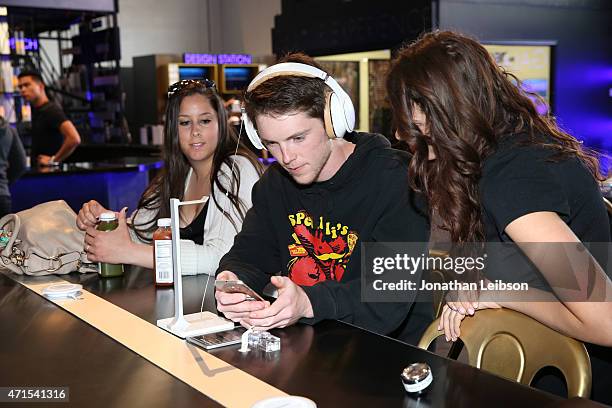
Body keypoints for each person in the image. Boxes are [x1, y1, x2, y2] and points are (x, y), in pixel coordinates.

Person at [386, 30, 612, 401]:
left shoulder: (512, 177)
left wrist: (501, 292)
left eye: (408, 119)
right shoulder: (499, 154)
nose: (399, 132)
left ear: (445, 109)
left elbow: (605, 321)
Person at [214, 53, 430, 344]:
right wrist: (234, 281)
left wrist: (307, 302)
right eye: (271, 144)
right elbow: (249, 254)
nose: (286, 157)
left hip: (387, 358)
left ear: (333, 120)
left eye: (298, 138)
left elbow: (388, 293)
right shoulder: (274, 185)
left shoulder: (397, 179)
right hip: (309, 350)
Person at [76, 79, 261, 275]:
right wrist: (104, 220)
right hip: (182, 301)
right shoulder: (175, 176)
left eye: (205, 121)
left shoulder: (236, 169)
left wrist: (129, 252)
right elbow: (139, 233)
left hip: (231, 303)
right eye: (185, 123)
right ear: (173, 129)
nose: (195, 131)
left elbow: (221, 258)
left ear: (220, 123)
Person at [17, 69, 81, 166]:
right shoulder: (37, 110)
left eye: (27, 85)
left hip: (51, 175)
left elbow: (74, 138)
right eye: (20, 87)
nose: (23, 90)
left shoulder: (51, 110)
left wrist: (53, 160)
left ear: (41, 86)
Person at [0, 116, 27, 217]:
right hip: (2, 197)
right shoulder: (8, 129)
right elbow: (21, 165)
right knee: (3, 232)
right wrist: (5, 181)